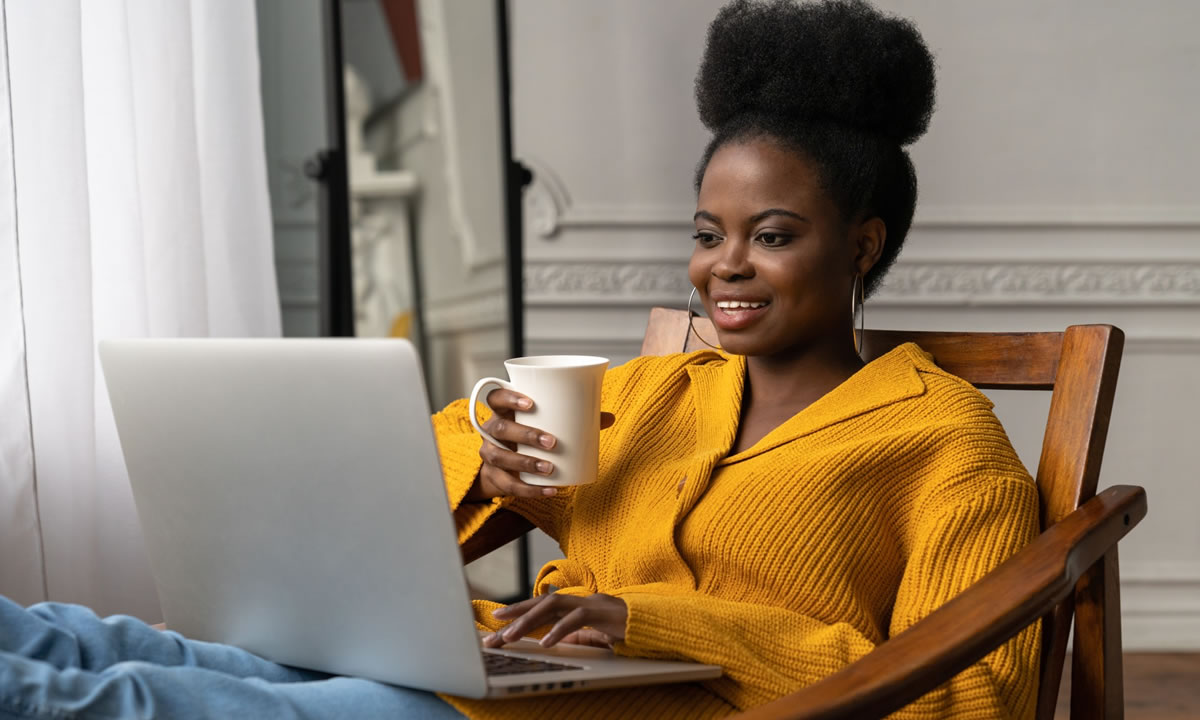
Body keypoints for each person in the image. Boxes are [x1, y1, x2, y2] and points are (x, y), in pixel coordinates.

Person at [0, 1, 1040, 718]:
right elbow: (399, 485)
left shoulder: (946, 445)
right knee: (69, 638)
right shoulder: (650, 392)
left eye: (770, 235)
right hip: (501, 674)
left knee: (117, 699)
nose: (724, 266)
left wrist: (652, 621)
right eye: (706, 232)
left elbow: (975, 698)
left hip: (613, 711)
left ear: (861, 244)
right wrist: (486, 467)